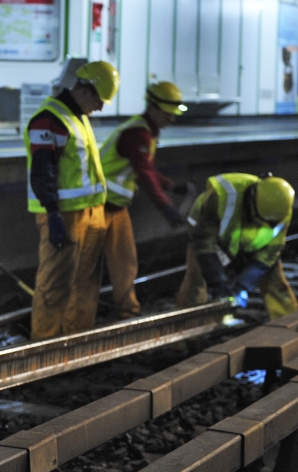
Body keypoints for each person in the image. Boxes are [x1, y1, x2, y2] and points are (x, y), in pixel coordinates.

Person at [23, 61, 119, 339]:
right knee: (55, 286)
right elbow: (43, 169)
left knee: (86, 283)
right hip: (65, 215)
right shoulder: (49, 119)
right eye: (99, 100)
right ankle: (45, 353)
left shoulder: (78, 117)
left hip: (90, 213)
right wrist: (52, 214)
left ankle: (76, 345)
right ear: (84, 90)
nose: (100, 108)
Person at [98, 81, 188, 320]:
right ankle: (79, 323)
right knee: (91, 268)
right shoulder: (136, 133)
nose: (173, 120)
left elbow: (146, 168)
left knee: (125, 262)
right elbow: (144, 173)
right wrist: (166, 208)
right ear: (154, 108)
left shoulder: (143, 131)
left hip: (115, 207)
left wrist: (171, 186)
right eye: (169, 114)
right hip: (98, 205)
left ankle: (127, 314)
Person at [175, 173, 298, 320]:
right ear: (251, 202)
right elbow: (204, 243)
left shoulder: (281, 211)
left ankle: (290, 329)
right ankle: (187, 338)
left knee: (276, 282)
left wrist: (243, 286)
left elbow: (270, 252)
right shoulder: (222, 195)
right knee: (196, 280)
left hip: (253, 244)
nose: (259, 225)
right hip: (210, 237)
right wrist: (219, 282)